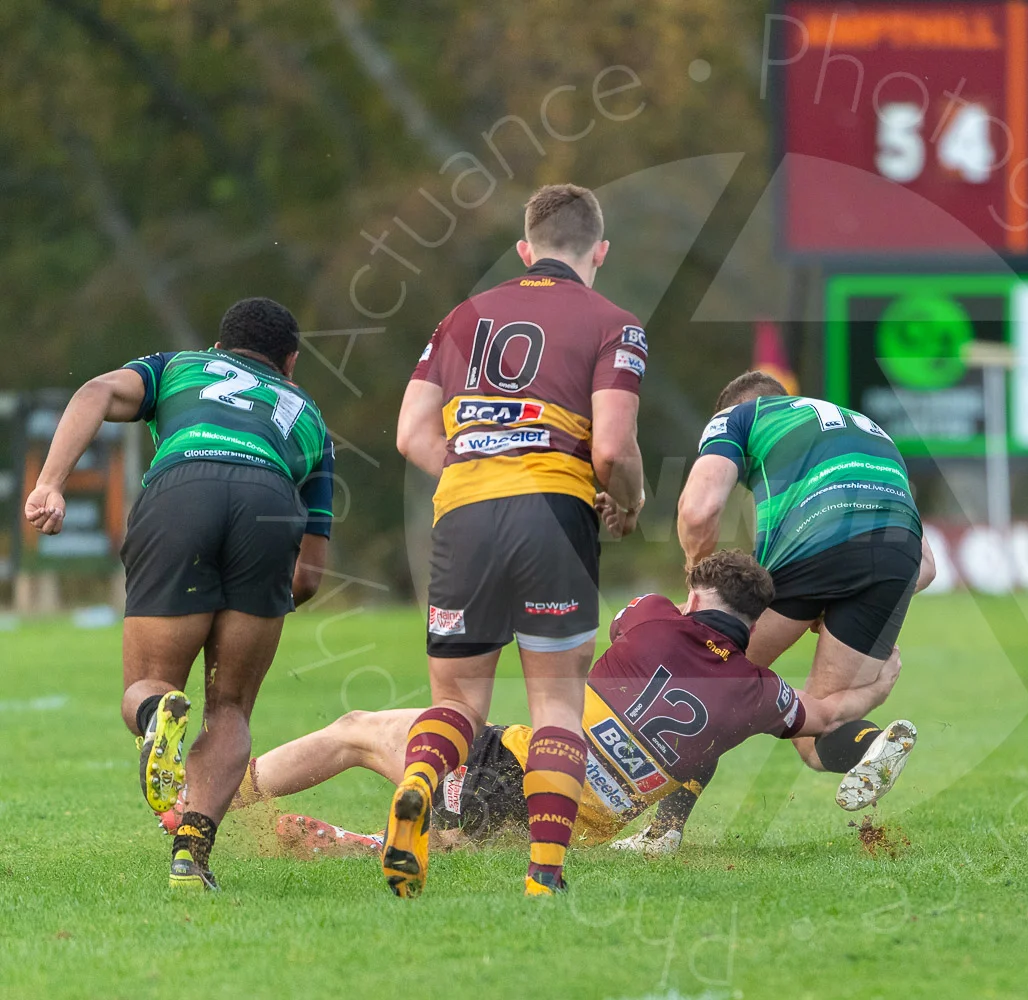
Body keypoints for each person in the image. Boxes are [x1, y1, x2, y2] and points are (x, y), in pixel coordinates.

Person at [208, 551, 900, 860]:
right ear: (755, 624)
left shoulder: (656, 616)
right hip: (580, 827)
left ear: (695, 599)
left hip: (515, 769)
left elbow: (629, 631)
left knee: (356, 732)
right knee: (458, 836)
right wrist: (878, 677)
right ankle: (360, 847)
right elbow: (824, 715)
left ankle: (203, 806)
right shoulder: (760, 697)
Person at [387, 183, 647, 897]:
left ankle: (417, 781)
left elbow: (412, 434)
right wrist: (630, 502)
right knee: (558, 702)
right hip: (553, 512)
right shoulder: (614, 322)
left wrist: (480, 465)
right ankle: (544, 873)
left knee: (458, 702)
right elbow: (614, 452)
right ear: (598, 252)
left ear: (525, 249)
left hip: (464, 511)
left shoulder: (461, 317)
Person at [23, 297, 334, 890]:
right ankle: (192, 853)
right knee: (230, 707)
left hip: (181, 488)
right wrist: (253, 601)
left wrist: (50, 484)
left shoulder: (180, 366)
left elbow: (92, 392)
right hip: (269, 504)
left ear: (219, 347)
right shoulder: (310, 416)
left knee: (149, 684)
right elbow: (310, 576)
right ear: (290, 363)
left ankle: (154, 713)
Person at [674, 373, 934, 813]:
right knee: (814, 733)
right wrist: (833, 601)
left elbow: (699, 512)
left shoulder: (736, 418)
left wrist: (695, 584)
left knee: (705, 684)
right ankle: (872, 746)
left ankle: (662, 831)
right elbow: (926, 567)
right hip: (896, 556)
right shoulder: (866, 427)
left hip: (811, 542)